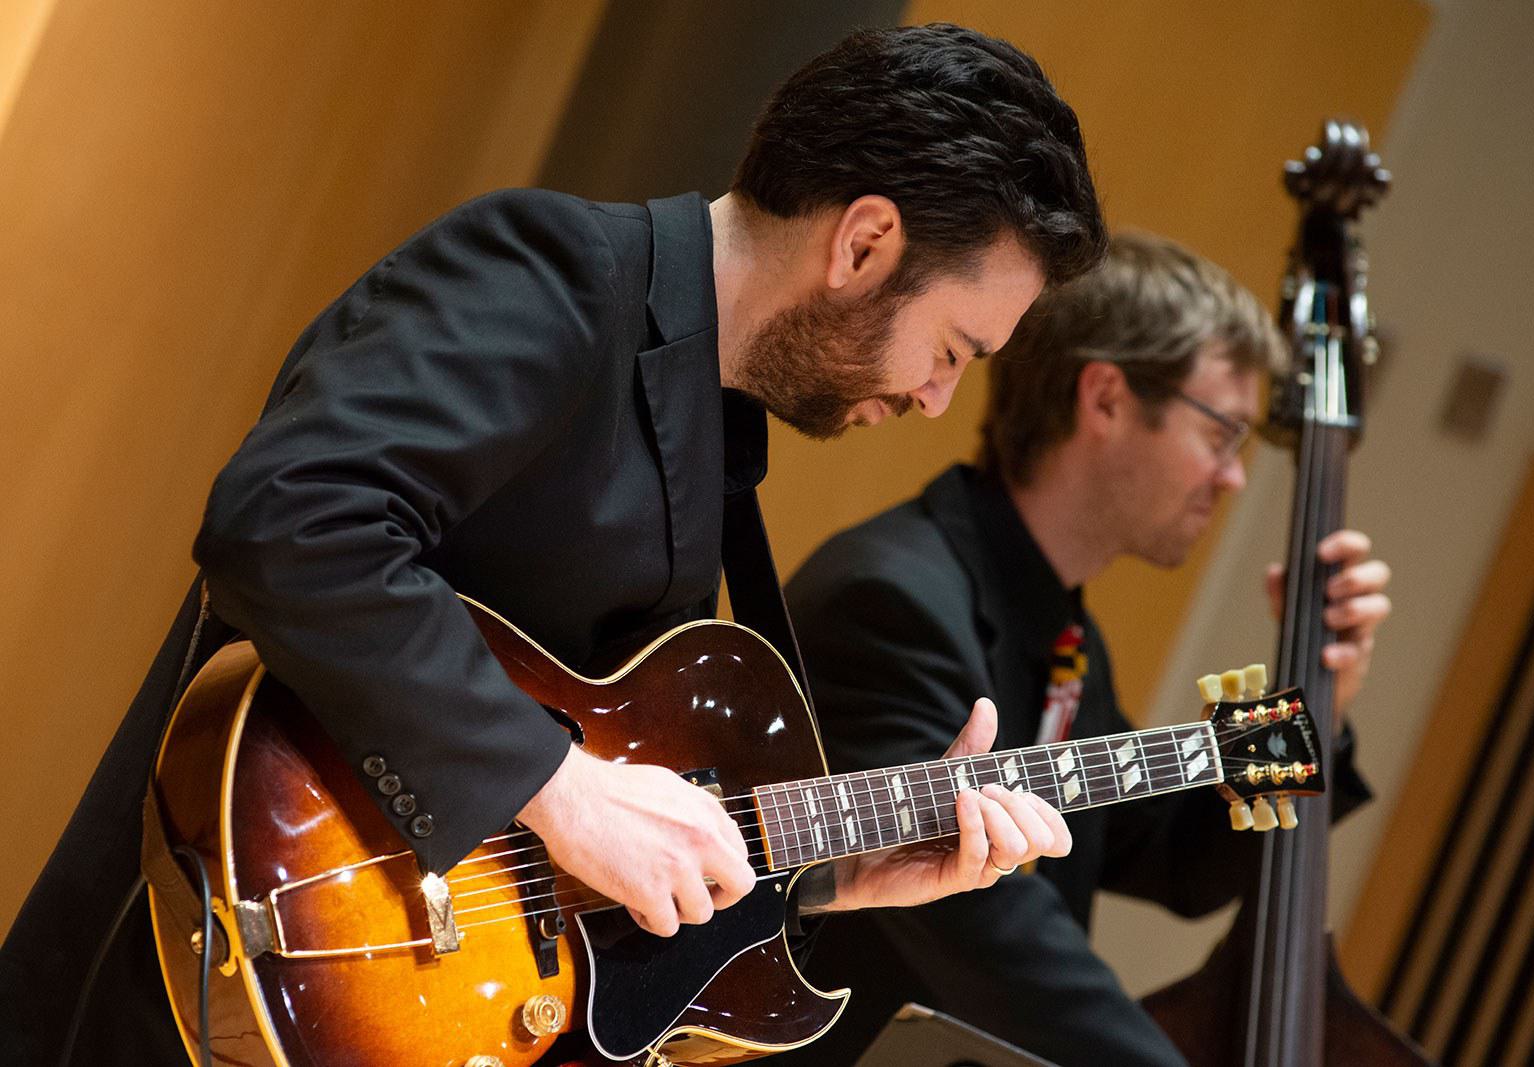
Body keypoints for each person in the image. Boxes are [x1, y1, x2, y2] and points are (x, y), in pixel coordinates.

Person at [0, 23, 1107, 1065]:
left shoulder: (711, 414)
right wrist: (555, 784)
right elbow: (292, 513)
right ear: (864, 242)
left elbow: (580, 836)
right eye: (953, 348)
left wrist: (831, 870)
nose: (931, 398)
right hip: (204, 969)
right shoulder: (552, 272)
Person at [780, 232, 1390, 1066]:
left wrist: (1321, 701)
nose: (1234, 477)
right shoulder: (892, 603)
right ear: (1104, 399)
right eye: (1221, 434)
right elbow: (991, 925)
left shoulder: (1065, 634)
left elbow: (1169, 854)